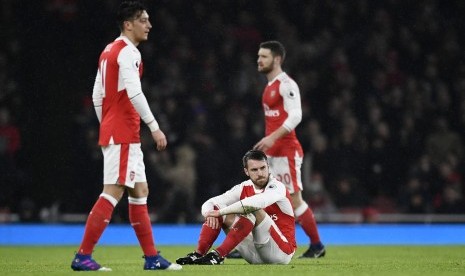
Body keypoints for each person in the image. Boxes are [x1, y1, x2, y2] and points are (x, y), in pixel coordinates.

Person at [70, 1, 181, 271]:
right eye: (143, 20)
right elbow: (134, 92)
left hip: (119, 130)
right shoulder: (128, 52)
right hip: (123, 132)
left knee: (139, 190)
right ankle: (83, 256)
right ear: (128, 24)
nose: (149, 25)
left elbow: (98, 94)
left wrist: (106, 122)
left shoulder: (108, 50)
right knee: (113, 192)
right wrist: (154, 126)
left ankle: (152, 258)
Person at [253, 40, 326, 258]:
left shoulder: (287, 84)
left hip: (286, 152)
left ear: (277, 59)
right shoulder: (269, 86)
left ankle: (317, 246)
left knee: (294, 201)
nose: (259, 60)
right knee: (262, 200)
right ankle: (252, 245)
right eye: (258, 56)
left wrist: (272, 138)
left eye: (264, 56)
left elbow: (296, 115)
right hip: (272, 154)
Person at [176, 149, 296, 265]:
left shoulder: (277, 187)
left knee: (251, 209)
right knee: (218, 209)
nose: (260, 173)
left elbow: (255, 203)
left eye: (263, 168)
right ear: (246, 171)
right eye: (254, 170)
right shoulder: (243, 187)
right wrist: (210, 213)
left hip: (281, 253)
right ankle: (198, 254)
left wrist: (220, 212)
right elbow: (210, 202)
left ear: (268, 167)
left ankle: (218, 255)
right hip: (255, 255)